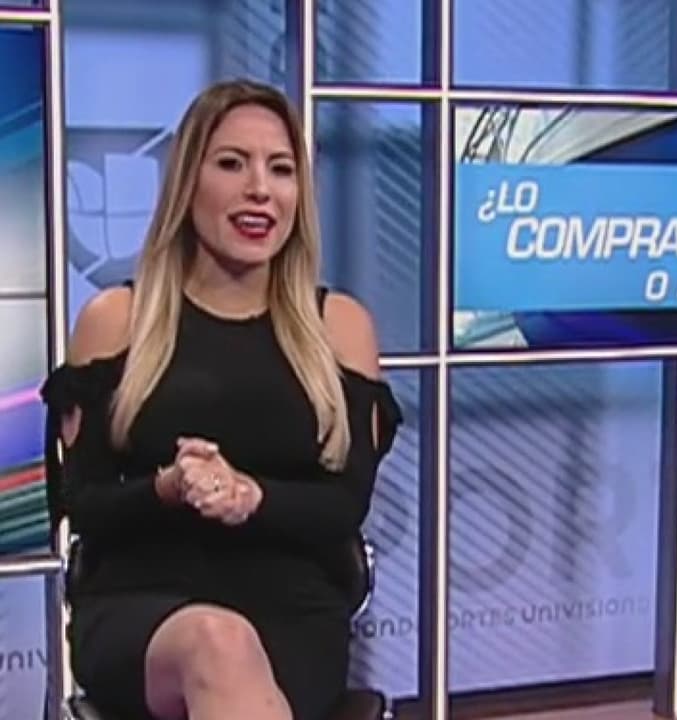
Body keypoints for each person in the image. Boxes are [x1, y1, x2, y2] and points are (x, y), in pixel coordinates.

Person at [40, 80, 403, 720]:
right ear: (188, 183)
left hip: (293, 613)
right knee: (218, 642)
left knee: (232, 651)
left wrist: (251, 496)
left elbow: (343, 505)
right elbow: (83, 504)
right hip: (140, 609)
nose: (260, 189)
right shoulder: (116, 320)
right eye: (232, 163)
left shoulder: (340, 328)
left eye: (281, 169)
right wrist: (167, 489)